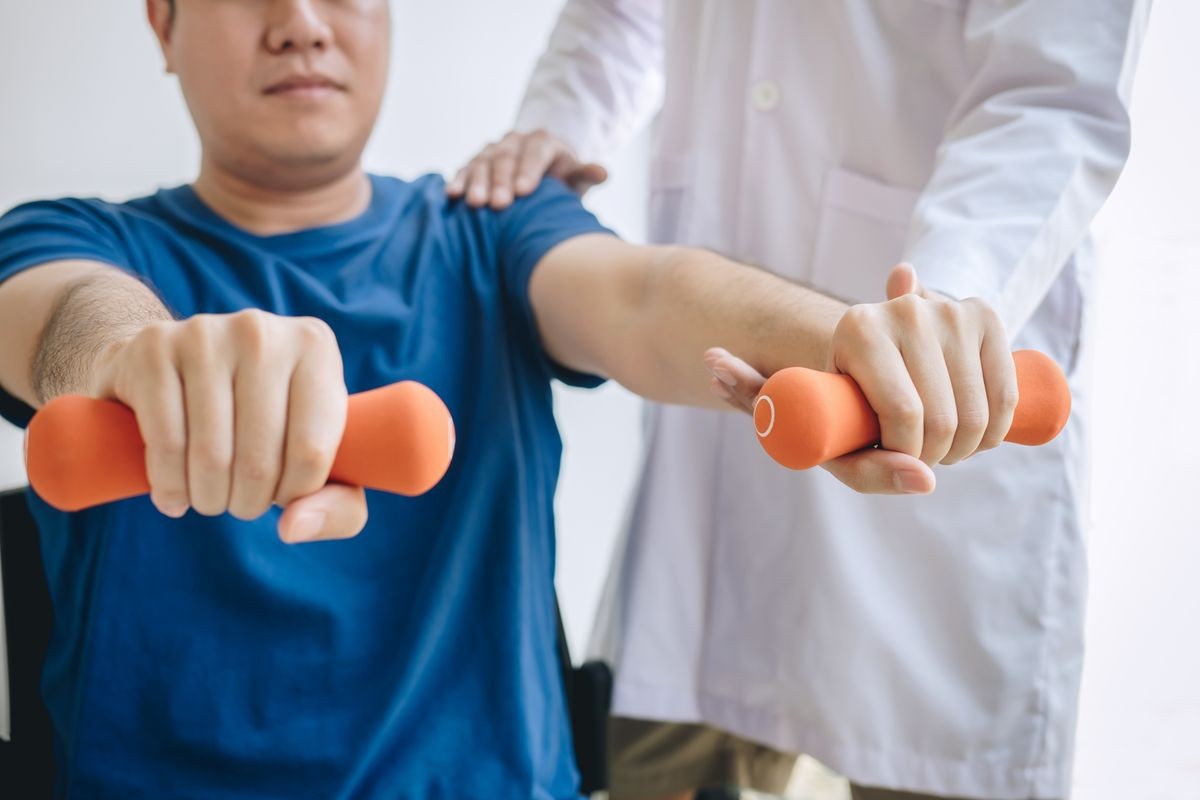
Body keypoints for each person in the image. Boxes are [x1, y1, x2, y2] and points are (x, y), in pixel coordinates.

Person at [0, 1, 1017, 797]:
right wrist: (136, 356)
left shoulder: (489, 229)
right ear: (161, 23)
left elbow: (645, 294)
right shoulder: (75, 241)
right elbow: (60, 322)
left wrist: (843, 342)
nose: (302, 18)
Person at [450, 1, 1149, 798]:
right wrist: (554, 129)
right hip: (712, 436)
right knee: (658, 746)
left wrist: (938, 313)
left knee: (925, 750)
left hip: (951, 373)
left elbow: (1050, 90)